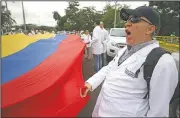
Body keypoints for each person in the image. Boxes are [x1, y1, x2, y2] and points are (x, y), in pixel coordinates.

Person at [80, 6, 178, 117]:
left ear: (150, 29)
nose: (127, 24)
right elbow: (109, 68)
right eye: (127, 20)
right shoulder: (124, 50)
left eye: (135, 19)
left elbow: (158, 112)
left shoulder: (162, 62)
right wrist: (90, 83)